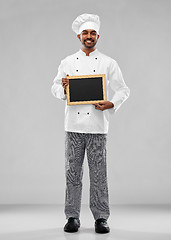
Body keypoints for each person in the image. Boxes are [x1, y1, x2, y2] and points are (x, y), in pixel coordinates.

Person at [51, 13, 130, 234]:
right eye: (85, 33)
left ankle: (101, 217)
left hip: (97, 127)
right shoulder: (67, 62)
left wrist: (111, 103)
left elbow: (124, 89)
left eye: (92, 33)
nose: (89, 36)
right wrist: (65, 88)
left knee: (99, 175)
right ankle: (72, 216)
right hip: (73, 128)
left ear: (98, 36)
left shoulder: (108, 62)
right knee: (72, 174)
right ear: (79, 36)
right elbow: (54, 88)